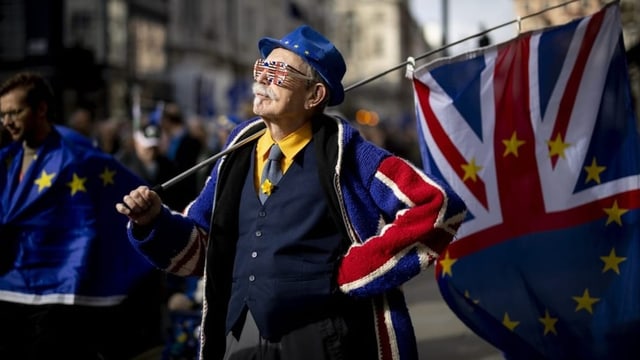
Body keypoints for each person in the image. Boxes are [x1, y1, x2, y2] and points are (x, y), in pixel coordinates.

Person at [116, 25, 467, 360]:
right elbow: (203, 246)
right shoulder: (238, 149)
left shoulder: (350, 154)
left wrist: (356, 270)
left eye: (280, 74)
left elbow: (438, 205)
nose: (262, 80)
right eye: (262, 68)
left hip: (323, 341)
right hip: (241, 336)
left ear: (314, 95)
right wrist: (154, 223)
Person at [0, 71, 162, 359]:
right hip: (10, 284)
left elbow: (124, 199)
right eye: (3, 114)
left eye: (15, 112)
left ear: (40, 110)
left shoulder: (76, 155)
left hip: (57, 291)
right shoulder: (6, 159)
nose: (7, 121)